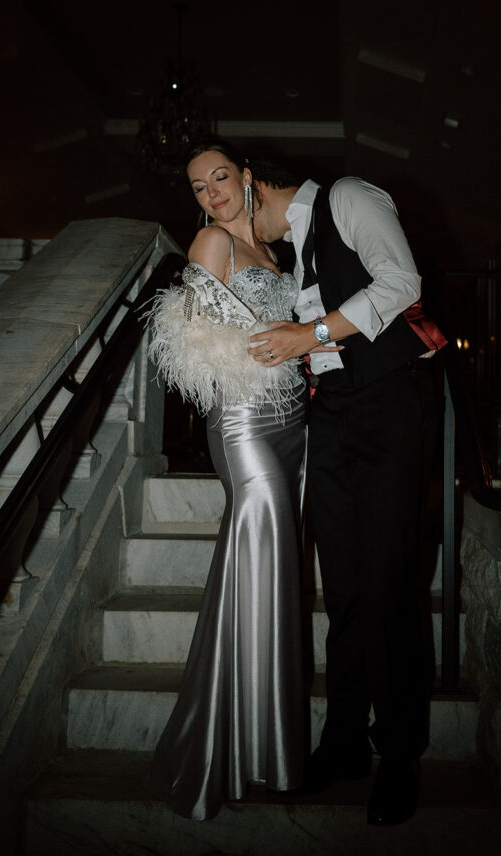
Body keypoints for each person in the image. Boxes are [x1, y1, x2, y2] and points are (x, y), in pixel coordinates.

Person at [248, 161, 446, 826]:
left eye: (238, 204)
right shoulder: (290, 253)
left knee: (389, 581)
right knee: (343, 587)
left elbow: (401, 282)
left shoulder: (349, 198)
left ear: (256, 182)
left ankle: (398, 754)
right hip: (329, 410)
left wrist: (308, 333)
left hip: (388, 402)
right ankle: (342, 741)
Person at [145, 140, 314, 820]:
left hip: (294, 423)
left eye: (220, 178)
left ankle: (268, 750)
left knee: (274, 573)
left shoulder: (278, 254)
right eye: (197, 186)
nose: (210, 193)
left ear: (247, 179)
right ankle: (226, 749)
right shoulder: (209, 242)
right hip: (243, 421)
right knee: (259, 553)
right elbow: (192, 342)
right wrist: (261, 342)